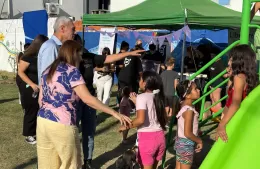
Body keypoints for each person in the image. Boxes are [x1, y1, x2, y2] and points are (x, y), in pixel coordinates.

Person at [37, 40, 132, 169]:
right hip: (62, 125)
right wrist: (114, 113)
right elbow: (88, 99)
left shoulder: (48, 70)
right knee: (70, 165)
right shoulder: (72, 71)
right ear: (73, 54)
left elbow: (40, 99)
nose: (81, 59)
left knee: (47, 165)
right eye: (80, 55)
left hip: (42, 122)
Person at [73, 34, 144, 169]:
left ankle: (88, 161)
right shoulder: (66, 62)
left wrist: (130, 53)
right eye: (76, 44)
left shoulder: (88, 57)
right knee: (73, 132)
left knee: (89, 132)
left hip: (88, 98)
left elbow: (108, 58)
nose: (80, 47)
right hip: (74, 100)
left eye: (80, 44)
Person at [119, 71, 168, 169]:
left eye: (140, 79)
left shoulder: (142, 97)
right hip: (160, 137)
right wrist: (137, 102)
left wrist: (125, 126)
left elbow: (140, 120)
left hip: (147, 140)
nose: (138, 81)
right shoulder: (159, 97)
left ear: (145, 83)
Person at [216, 45, 259, 143]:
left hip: (232, 119)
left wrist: (222, 124)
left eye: (231, 59)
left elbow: (235, 103)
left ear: (238, 60)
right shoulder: (248, 77)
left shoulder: (238, 77)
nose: (228, 62)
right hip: (238, 118)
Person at [17, 35, 48, 144]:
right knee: (31, 110)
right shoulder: (27, 57)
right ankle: (29, 135)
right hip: (29, 88)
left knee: (37, 110)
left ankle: (36, 132)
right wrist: (32, 84)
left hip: (38, 88)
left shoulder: (40, 57)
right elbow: (20, 72)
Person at [37, 16, 75, 83]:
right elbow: (47, 77)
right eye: (73, 29)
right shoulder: (51, 46)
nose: (75, 32)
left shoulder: (58, 46)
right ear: (62, 28)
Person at [175, 80, 202, 169]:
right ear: (187, 95)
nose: (198, 90)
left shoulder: (183, 105)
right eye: (195, 89)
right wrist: (199, 141)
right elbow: (187, 133)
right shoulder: (189, 110)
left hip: (180, 141)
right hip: (186, 143)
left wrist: (197, 131)